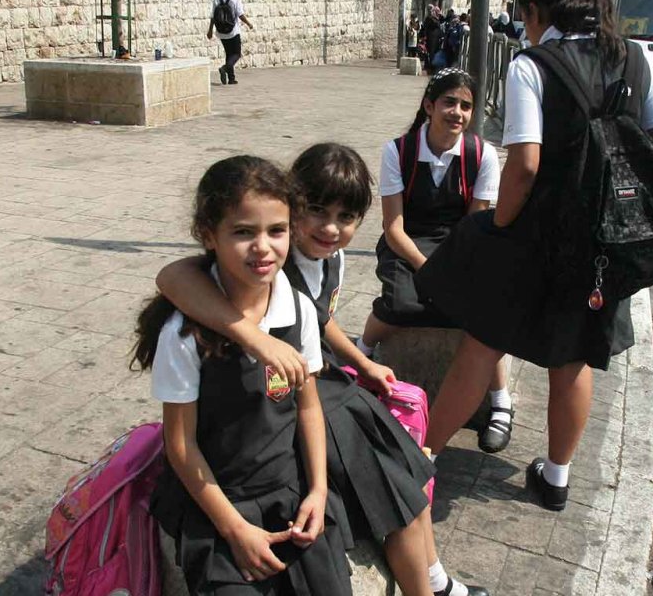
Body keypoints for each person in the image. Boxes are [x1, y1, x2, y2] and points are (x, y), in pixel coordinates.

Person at [154, 145, 489, 596]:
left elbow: (319, 321)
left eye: (346, 216)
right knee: (383, 461)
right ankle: (430, 580)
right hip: (263, 442)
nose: (330, 228)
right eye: (316, 210)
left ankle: (432, 578)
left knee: (401, 462)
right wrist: (257, 339)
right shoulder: (232, 294)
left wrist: (364, 363)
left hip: (308, 395)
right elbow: (173, 277)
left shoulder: (314, 271)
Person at [415, 0, 653, 512]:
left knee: (482, 344)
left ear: (538, 11)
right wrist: (620, 207)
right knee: (573, 356)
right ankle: (556, 478)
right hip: (601, 244)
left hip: (535, 235)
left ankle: (422, 459)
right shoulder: (635, 57)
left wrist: (498, 224)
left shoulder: (531, 66)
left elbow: (525, 166)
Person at [135, 156, 350, 595]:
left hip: (287, 490)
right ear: (207, 236)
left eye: (277, 230)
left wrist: (317, 490)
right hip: (216, 501)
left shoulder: (300, 311)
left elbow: (308, 406)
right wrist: (233, 528)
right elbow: (180, 444)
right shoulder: (185, 333)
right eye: (243, 232)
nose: (263, 247)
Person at [355, 69, 516, 455]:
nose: (457, 112)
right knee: (400, 303)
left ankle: (500, 402)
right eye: (448, 102)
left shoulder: (482, 155)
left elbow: (475, 225)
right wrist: (427, 268)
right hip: (407, 242)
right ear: (429, 105)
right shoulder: (398, 151)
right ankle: (361, 353)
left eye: (465, 105)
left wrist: (452, 270)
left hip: (459, 244)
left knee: (479, 312)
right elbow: (393, 226)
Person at [209, 0, 255, 85]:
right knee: (236, 54)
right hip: (233, 31)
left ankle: (231, 78)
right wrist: (249, 24)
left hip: (221, 32)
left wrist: (210, 30)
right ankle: (225, 68)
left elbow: (213, 17)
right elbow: (240, 15)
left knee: (229, 54)